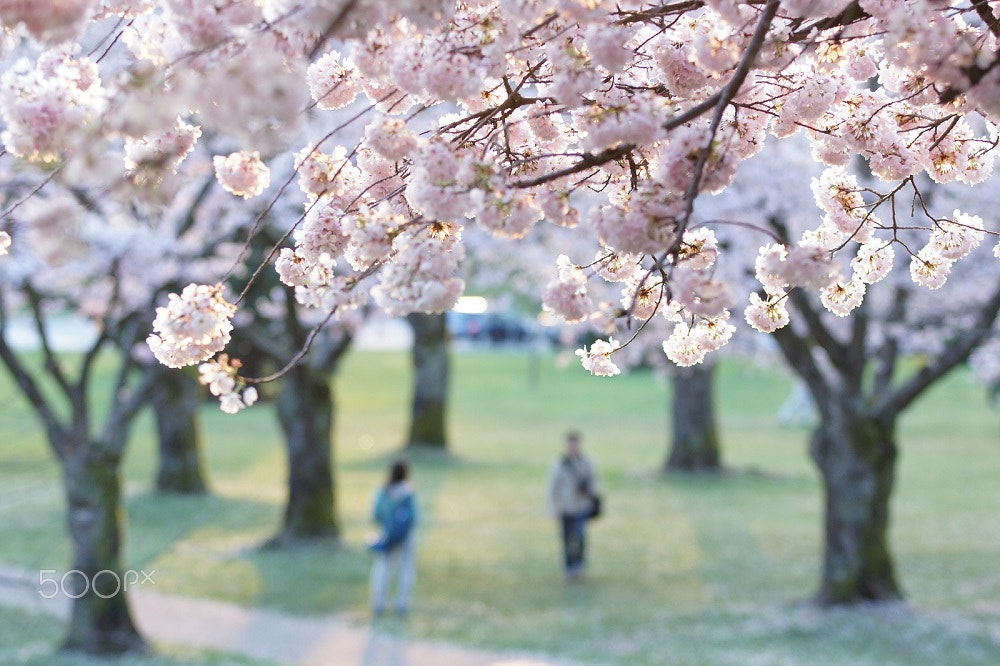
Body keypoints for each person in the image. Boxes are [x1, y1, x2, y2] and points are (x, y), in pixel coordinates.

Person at [546, 431, 599, 581]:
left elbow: (594, 482)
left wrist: (589, 494)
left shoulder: (587, 462)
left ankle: (579, 565)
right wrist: (553, 509)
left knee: (580, 536)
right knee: (566, 539)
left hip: (581, 507)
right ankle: (569, 568)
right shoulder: (559, 464)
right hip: (565, 507)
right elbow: (552, 488)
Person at [369, 458, 418, 616]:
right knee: (405, 569)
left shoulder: (383, 491)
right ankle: (401, 604)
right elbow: (415, 517)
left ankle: (379, 603)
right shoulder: (409, 492)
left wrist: (387, 526)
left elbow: (375, 514)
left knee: (383, 568)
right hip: (406, 537)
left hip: (387, 535)